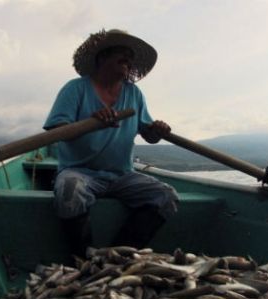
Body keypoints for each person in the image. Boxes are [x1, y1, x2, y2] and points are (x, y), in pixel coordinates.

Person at [44, 28, 179, 253]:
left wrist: (158, 130)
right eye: (121, 53)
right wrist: (90, 121)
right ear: (102, 57)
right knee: (70, 193)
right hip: (80, 171)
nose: (128, 59)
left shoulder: (134, 93)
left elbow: (149, 134)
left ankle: (115, 257)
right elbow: (57, 130)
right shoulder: (75, 89)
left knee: (166, 196)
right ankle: (83, 261)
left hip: (122, 175)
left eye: (130, 56)